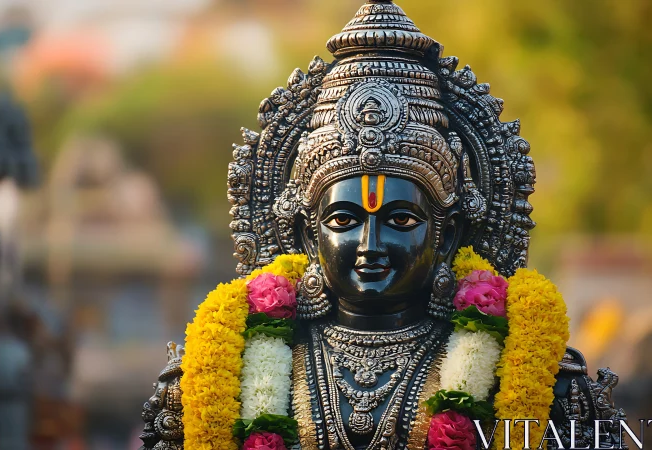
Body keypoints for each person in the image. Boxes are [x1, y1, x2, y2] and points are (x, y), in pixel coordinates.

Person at [139, 2, 625, 449]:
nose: (369, 244)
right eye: (344, 219)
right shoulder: (219, 373)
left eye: (400, 219)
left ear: (449, 233)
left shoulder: (538, 380)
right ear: (308, 233)